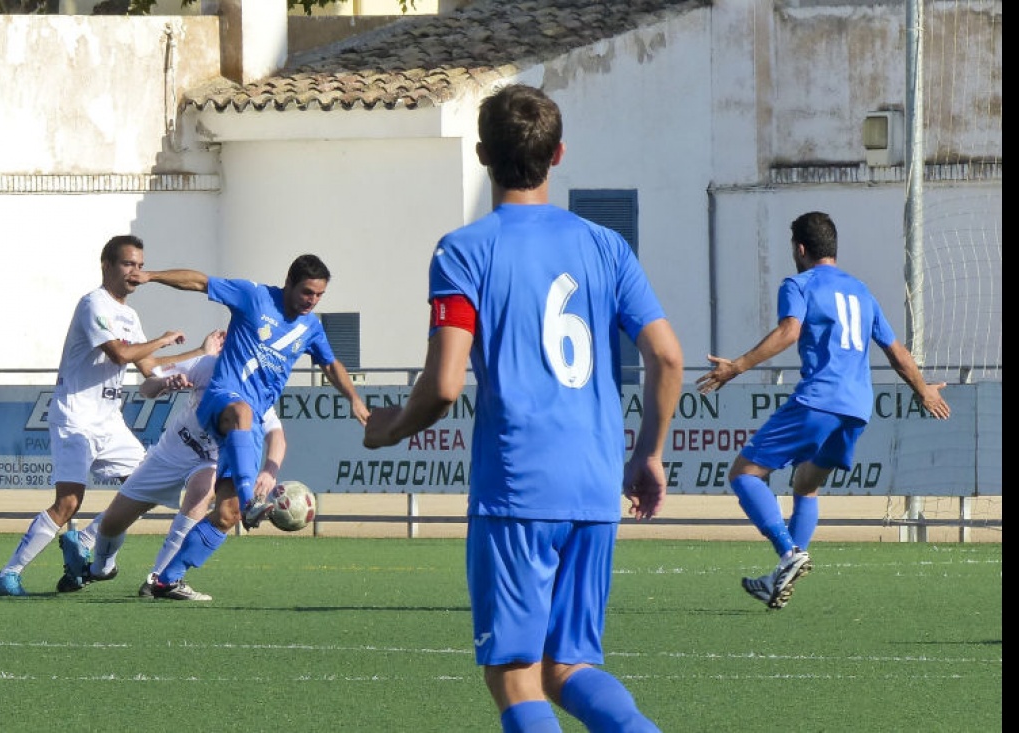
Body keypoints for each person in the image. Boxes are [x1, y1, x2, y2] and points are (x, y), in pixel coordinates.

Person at [363, 83, 684, 733]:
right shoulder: (605, 247)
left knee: (514, 672)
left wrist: (390, 426)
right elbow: (669, 357)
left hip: (517, 485)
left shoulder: (464, 249)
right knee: (568, 667)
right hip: (593, 484)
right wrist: (647, 452)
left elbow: (445, 383)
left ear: (482, 153)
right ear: (558, 154)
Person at [695, 211, 952, 610]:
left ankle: (787, 552)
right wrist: (924, 392)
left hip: (819, 400)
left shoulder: (799, 284)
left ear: (800, 249)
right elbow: (896, 351)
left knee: (745, 473)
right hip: (857, 410)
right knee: (806, 485)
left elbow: (789, 331)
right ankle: (783, 573)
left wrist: (737, 366)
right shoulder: (861, 291)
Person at [131, 254, 370, 600]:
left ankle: (167, 579)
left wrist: (354, 399)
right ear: (289, 283)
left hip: (250, 423)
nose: (312, 301)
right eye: (307, 292)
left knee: (227, 515)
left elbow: (331, 366)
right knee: (241, 411)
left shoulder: (310, 327)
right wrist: (151, 276)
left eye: (319, 295)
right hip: (222, 399)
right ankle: (251, 501)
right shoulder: (253, 296)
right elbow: (199, 281)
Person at [0, 234, 215, 597]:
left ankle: (87, 541)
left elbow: (146, 365)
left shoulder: (129, 315)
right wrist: (161, 339)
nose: (136, 272)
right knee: (68, 503)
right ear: (107, 266)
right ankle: (8, 574)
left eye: (140, 265)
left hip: (110, 422)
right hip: (75, 417)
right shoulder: (93, 304)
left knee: (147, 486)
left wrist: (198, 353)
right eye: (128, 264)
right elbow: (119, 355)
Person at [58, 330, 288, 601]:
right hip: (171, 452)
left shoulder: (255, 390)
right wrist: (166, 384)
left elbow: (277, 434)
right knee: (112, 524)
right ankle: (100, 568)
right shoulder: (206, 365)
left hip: (208, 460)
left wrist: (270, 469)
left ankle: (161, 579)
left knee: (202, 492)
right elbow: (147, 387)